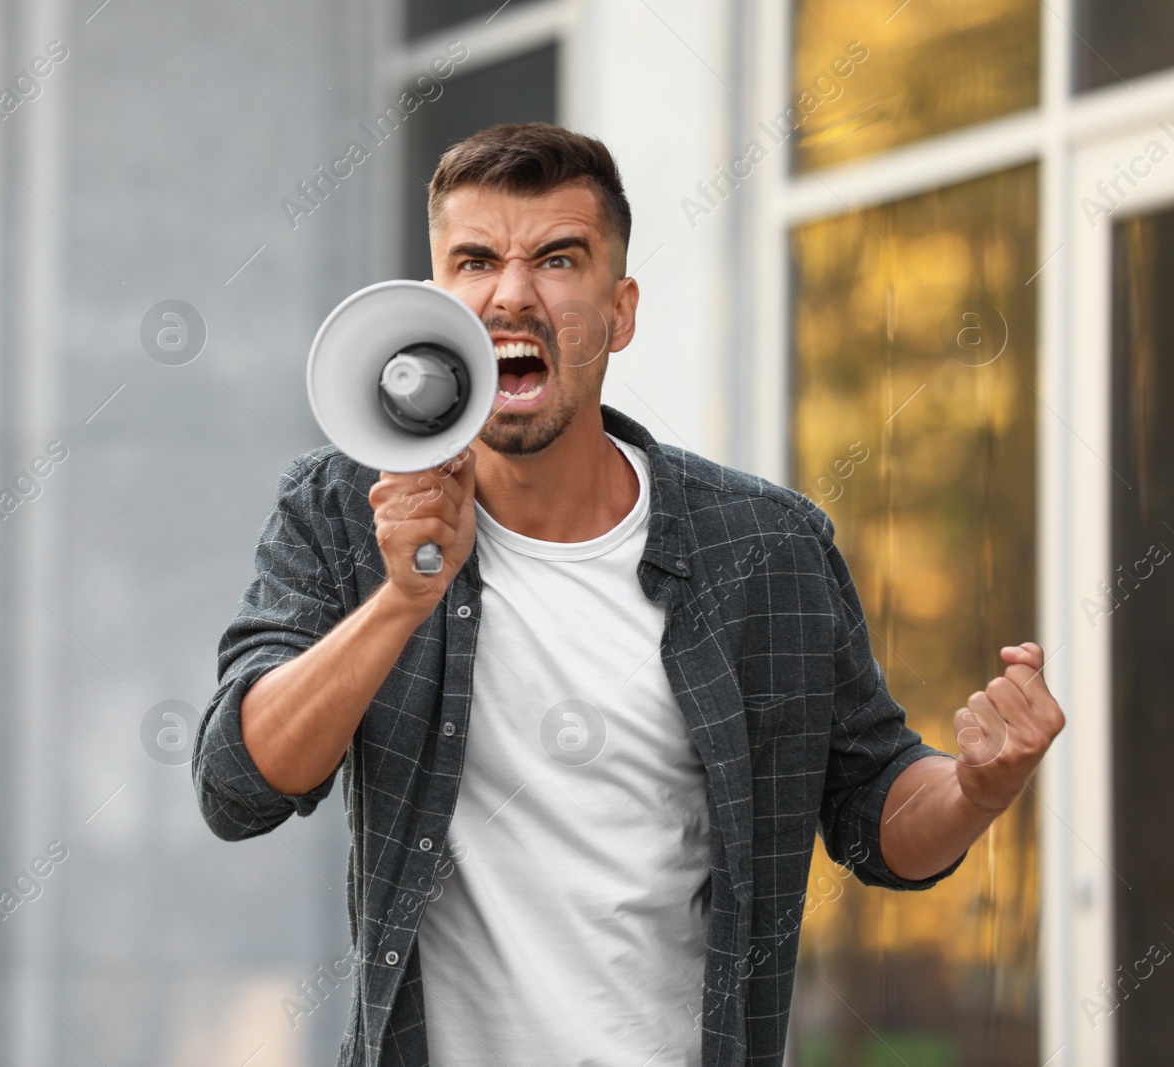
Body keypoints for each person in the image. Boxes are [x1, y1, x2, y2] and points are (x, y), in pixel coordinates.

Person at [191, 122, 1065, 1067]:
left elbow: (875, 816)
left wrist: (978, 786)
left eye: (558, 259)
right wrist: (402, 599)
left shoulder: (765, 546)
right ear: (437, 301)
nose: (513, 293)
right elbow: (238, 786)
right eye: (475, 260)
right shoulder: (341, 506)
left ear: (620, 310)